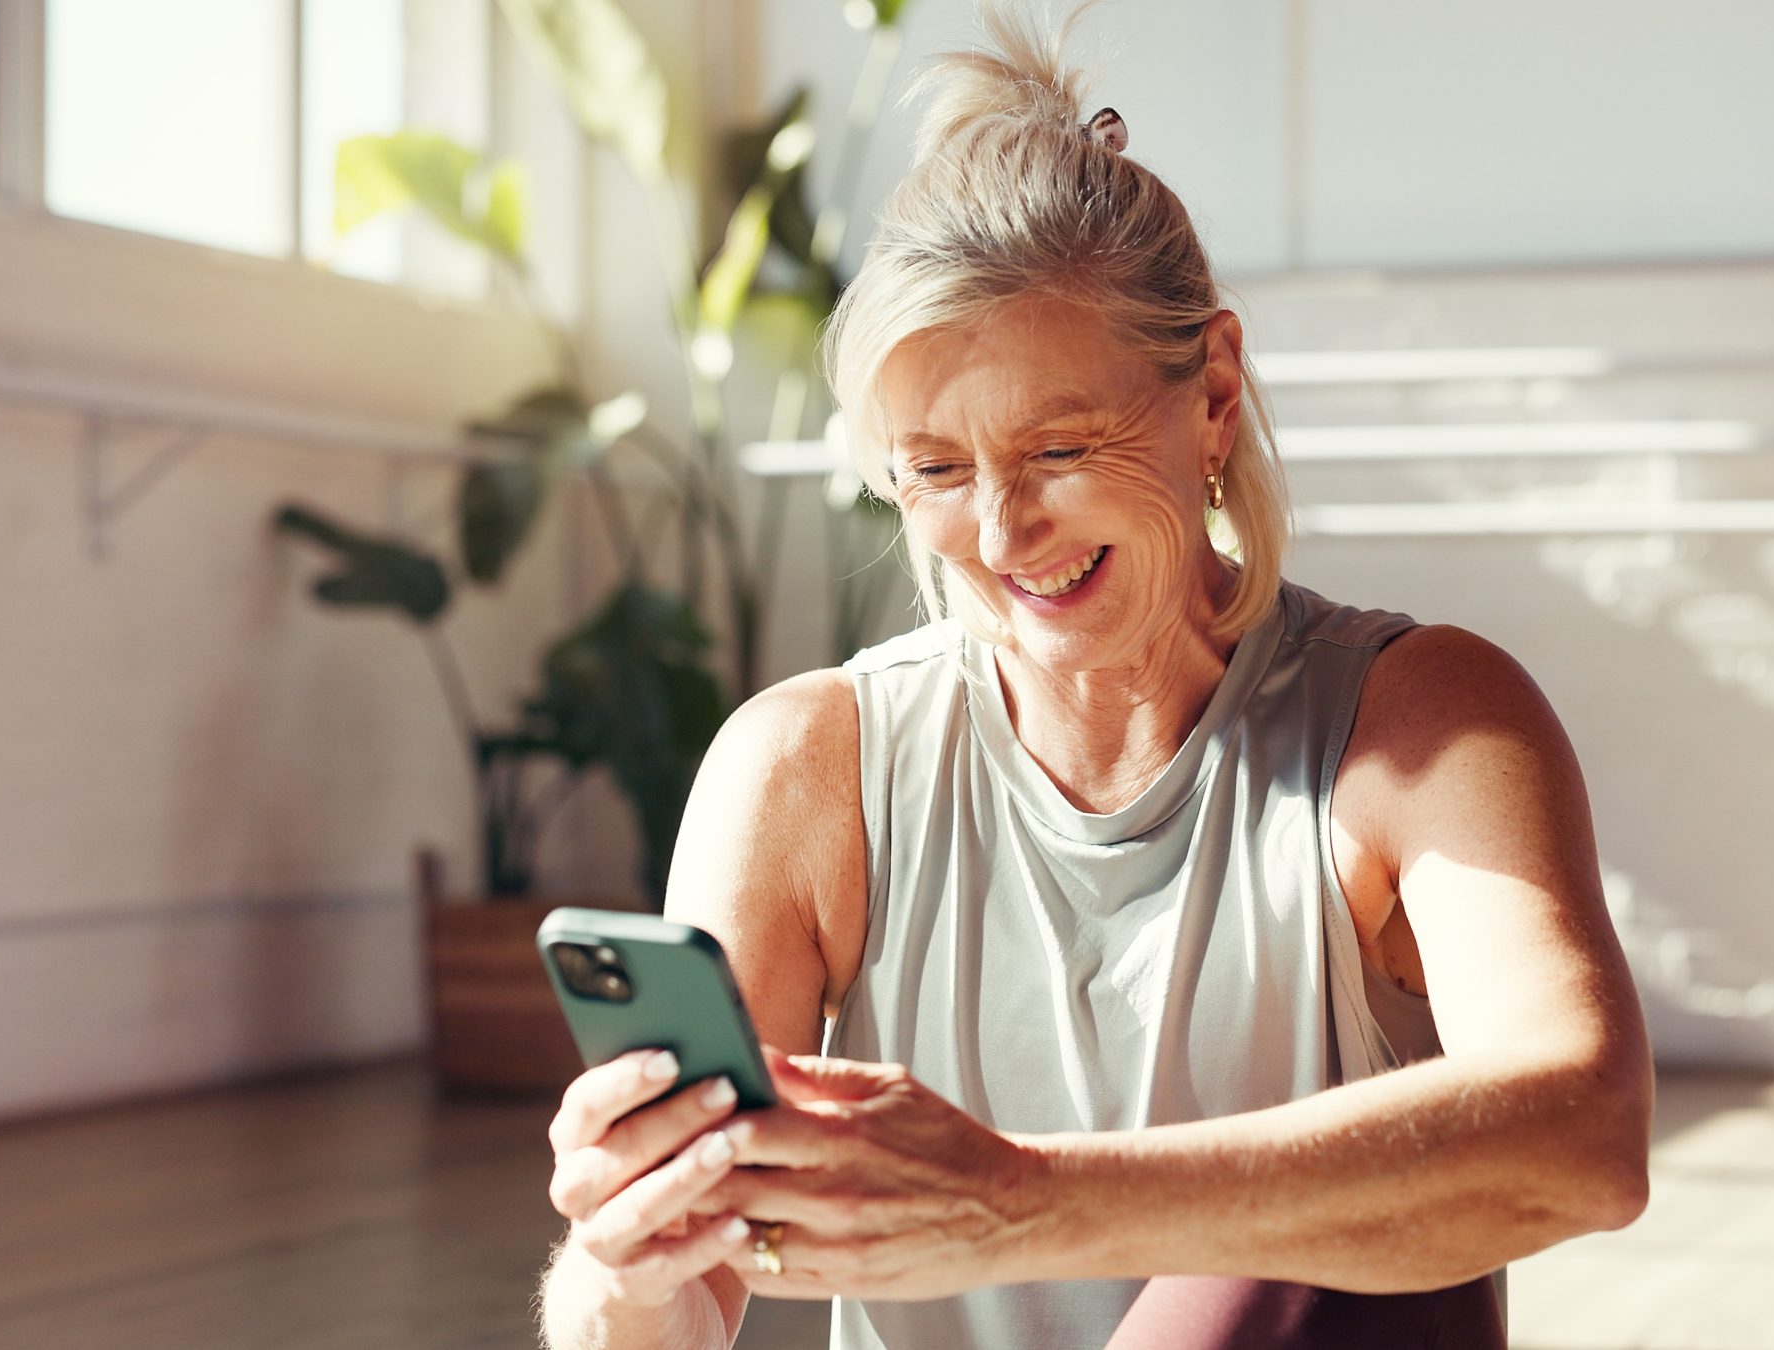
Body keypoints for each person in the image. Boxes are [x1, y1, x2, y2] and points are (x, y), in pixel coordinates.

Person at [537, 5, 1653, 1347]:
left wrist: (1015, 1200)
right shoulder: (807, 766)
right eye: (937, 471)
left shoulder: (1416, 723)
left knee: (1297, 1260)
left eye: (1061, 449)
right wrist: (624, 1264)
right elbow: (679, 1311)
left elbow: (1584, 1132)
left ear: (1215, 396)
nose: (1002, 534)